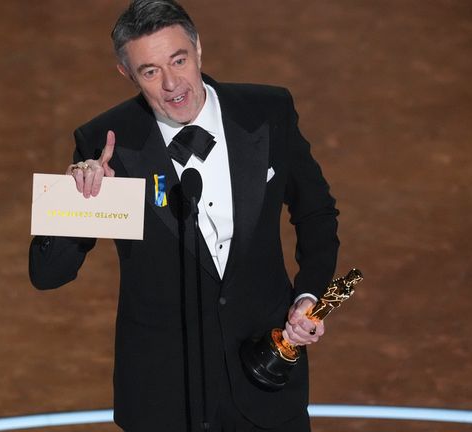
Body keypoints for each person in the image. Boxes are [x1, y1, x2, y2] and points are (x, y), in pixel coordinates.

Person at [29, 1, 339, 431]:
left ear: (198, 49)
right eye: (150, 71)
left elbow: (317, 211)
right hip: (164, 399)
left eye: (179, 60)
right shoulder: (109, 143)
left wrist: (308, 297)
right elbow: (48, 274)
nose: (173, 83)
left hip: (264, 379)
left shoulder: (267, 112)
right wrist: (76, 200)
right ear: (128, 74)